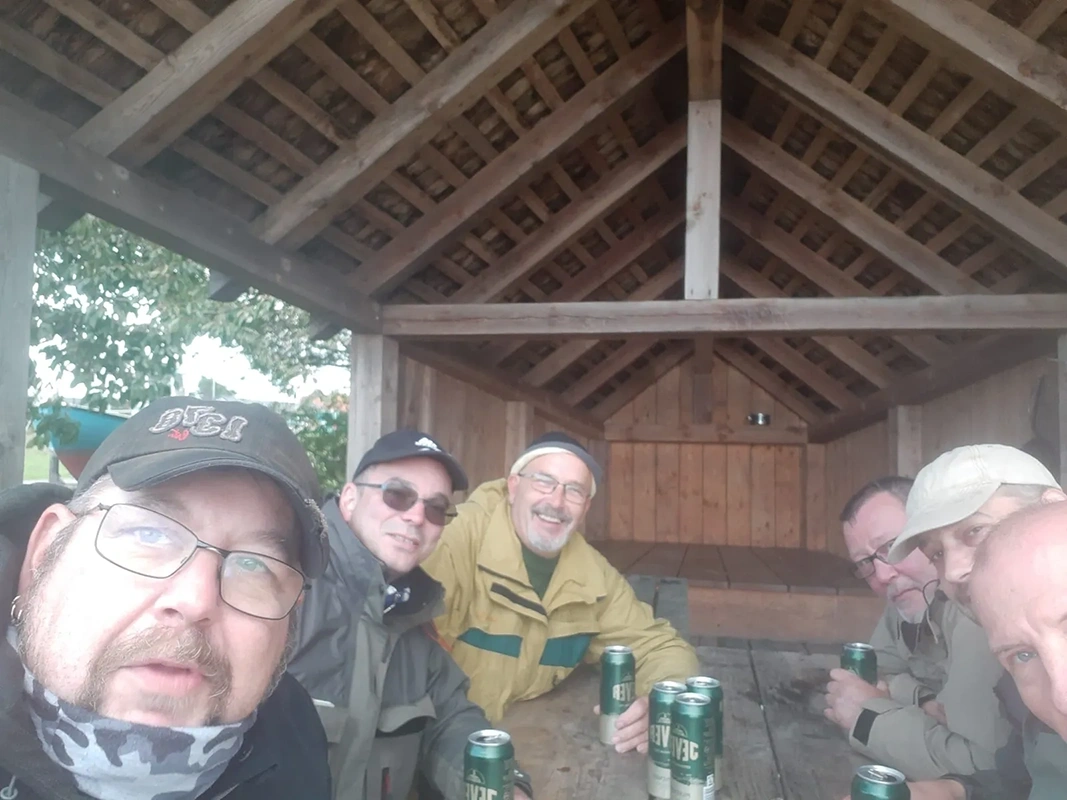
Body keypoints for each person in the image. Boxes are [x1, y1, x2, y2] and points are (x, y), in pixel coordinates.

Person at [1, 398, 332, 800]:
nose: (196, 600)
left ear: (288, 627)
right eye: (149, 534)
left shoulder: (297, 744)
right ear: (44, 553)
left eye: (253, 565)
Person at [288, 430, 533, 800]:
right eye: (397, 495)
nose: (417, 516)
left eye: (435, 508)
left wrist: (503, 786)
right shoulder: (287, 591)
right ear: (350, 498)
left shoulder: (414, 612)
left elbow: (452, 720)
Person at [422, 431, 698, 754]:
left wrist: (662, 702)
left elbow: (661, 647)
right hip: (430, 747)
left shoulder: (593, 576)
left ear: (586, 507)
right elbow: (400, 655)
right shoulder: (455, 539)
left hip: (521, 746)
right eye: (544, 482)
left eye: (574, 491)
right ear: (513, 487)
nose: (556, 502)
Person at [825, 476, 1004, 778]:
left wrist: (866, 718)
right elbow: (876, 673)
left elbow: (983, 769)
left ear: (930, 533)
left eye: (893, 546)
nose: (882, 575)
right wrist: (923, 699)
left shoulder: (975, 612)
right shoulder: (908, 595)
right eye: (866, 563)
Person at [904, 500, 1067, 799]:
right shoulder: (1040, 727)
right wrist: (955, 791)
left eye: (976, 531)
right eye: (1023, 655)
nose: (1062, 697)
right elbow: (1022, 780)